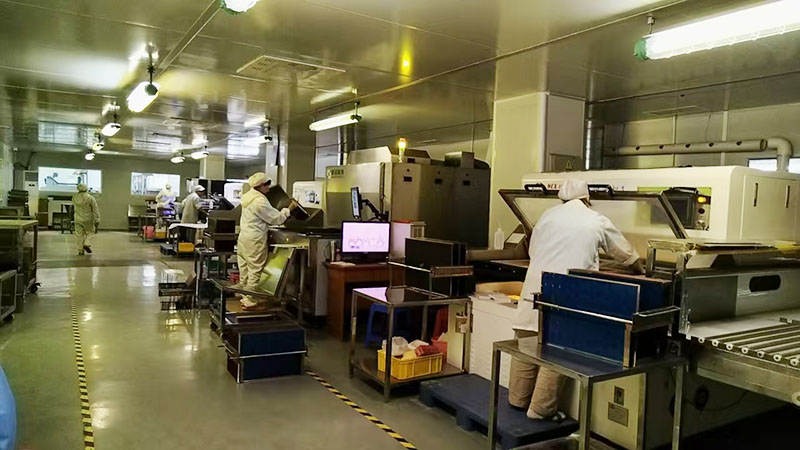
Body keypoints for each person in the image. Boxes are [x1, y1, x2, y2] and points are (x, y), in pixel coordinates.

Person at [510, 179, 643, 420]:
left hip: (534, 287)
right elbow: (624, 253)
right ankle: (540, 410)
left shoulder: (547, 216)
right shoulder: (595, 219)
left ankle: (517, 399)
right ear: (587, 198)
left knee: (526, 344)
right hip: (566, 291)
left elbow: (533, 250)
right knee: (556, 350)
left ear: (562, 199)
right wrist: (640, 270)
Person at [236, 172, 296, 308]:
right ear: (260, 185)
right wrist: (288, 209)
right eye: (267, 185)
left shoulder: (247, 196)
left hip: (244, 237)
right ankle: (249, 299)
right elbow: (277, 218)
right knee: (255, 269)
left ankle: (243, 293)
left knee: (244, 268)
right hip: (255, 239)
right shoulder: (259, 201)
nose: (269, 188)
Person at [71, 184, 100, 256]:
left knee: (79, 234)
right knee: (91, 232)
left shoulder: (74, 197)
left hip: (77, 218)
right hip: (88, 218)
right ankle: (87, 243)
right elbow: (95, 209)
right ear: (86, 189)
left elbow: (74, 207)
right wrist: (97, 219)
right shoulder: (90, 198)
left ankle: (80, 250)